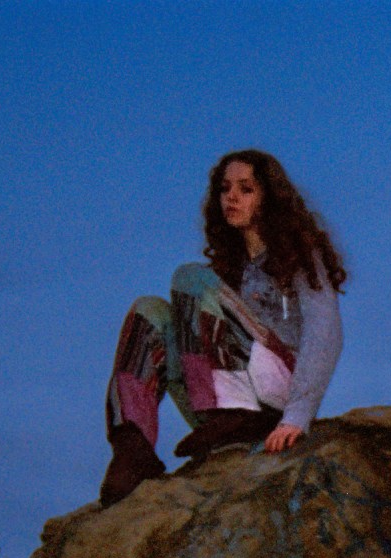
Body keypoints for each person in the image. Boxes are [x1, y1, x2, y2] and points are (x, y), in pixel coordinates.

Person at [99, 149, 345, 506]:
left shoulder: (300, 256)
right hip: (218, 406)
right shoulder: (230, 271)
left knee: (190, 277)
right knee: (149, 309)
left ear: (268, 199)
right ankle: (132, 447)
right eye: (225, 188)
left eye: (246, 189)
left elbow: (326, 333)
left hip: (273, 401)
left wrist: (297, 417)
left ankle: (233, 413)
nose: (232, 196)